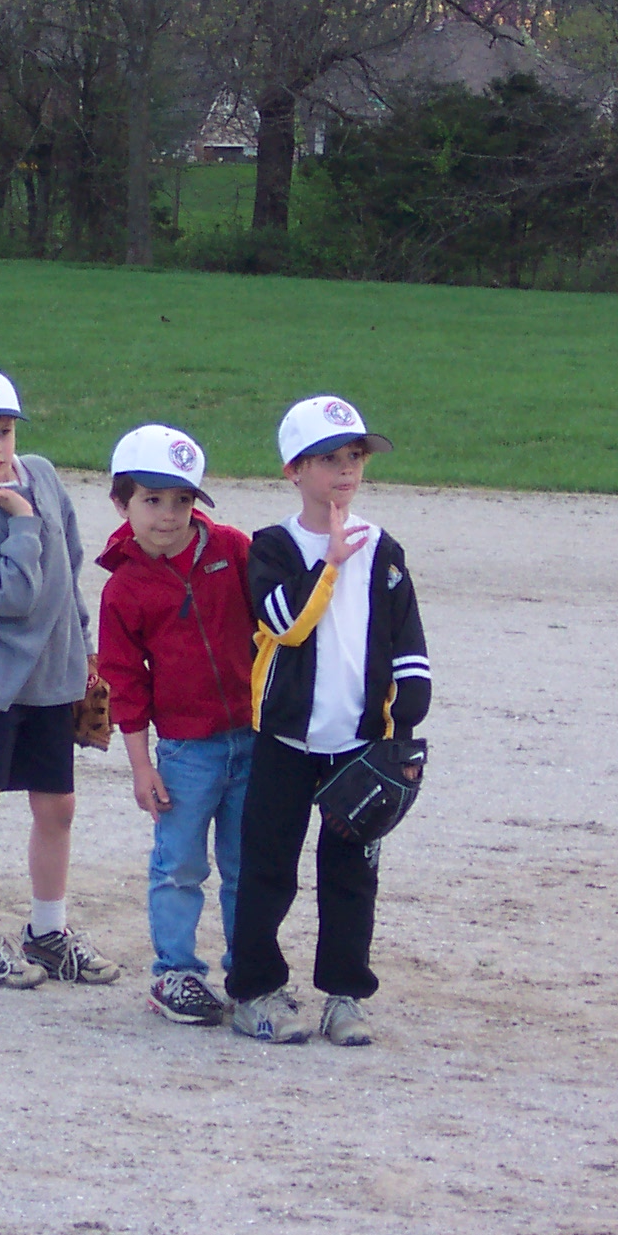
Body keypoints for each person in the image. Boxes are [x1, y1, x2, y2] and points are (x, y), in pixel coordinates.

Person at [226, 395, 429, 1045]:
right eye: (329, 458)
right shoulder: (273, 546)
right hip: (286, 738)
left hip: (360, 743)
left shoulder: (383, 548)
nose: (347, 469)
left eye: (356, 456)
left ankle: (345, 996)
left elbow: (407, 639)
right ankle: (255, 990)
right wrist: (332, 560)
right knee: (267, 868)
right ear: (293, 470)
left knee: (351, 876)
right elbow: (284, 623)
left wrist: (406, 720)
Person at [0, 366, 122, 989]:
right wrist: (19, 519)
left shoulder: (41, 473)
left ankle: (48, 932)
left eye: (3, 430)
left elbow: (67, 567)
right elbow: (12, 597)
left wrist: (84, 649)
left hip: (50, 673)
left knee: (58, 804)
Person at [94, 424, 255, 1026]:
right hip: (187, 751)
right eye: (152, 500)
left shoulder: (232, 549)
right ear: (122, 504)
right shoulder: (125, 588)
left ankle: (250, 970)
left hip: (254, 737)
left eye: (182, 500)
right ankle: (176, 973)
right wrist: (142, 766)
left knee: (247, 864)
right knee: (180, 863)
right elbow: (125, 682)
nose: (169, 515)